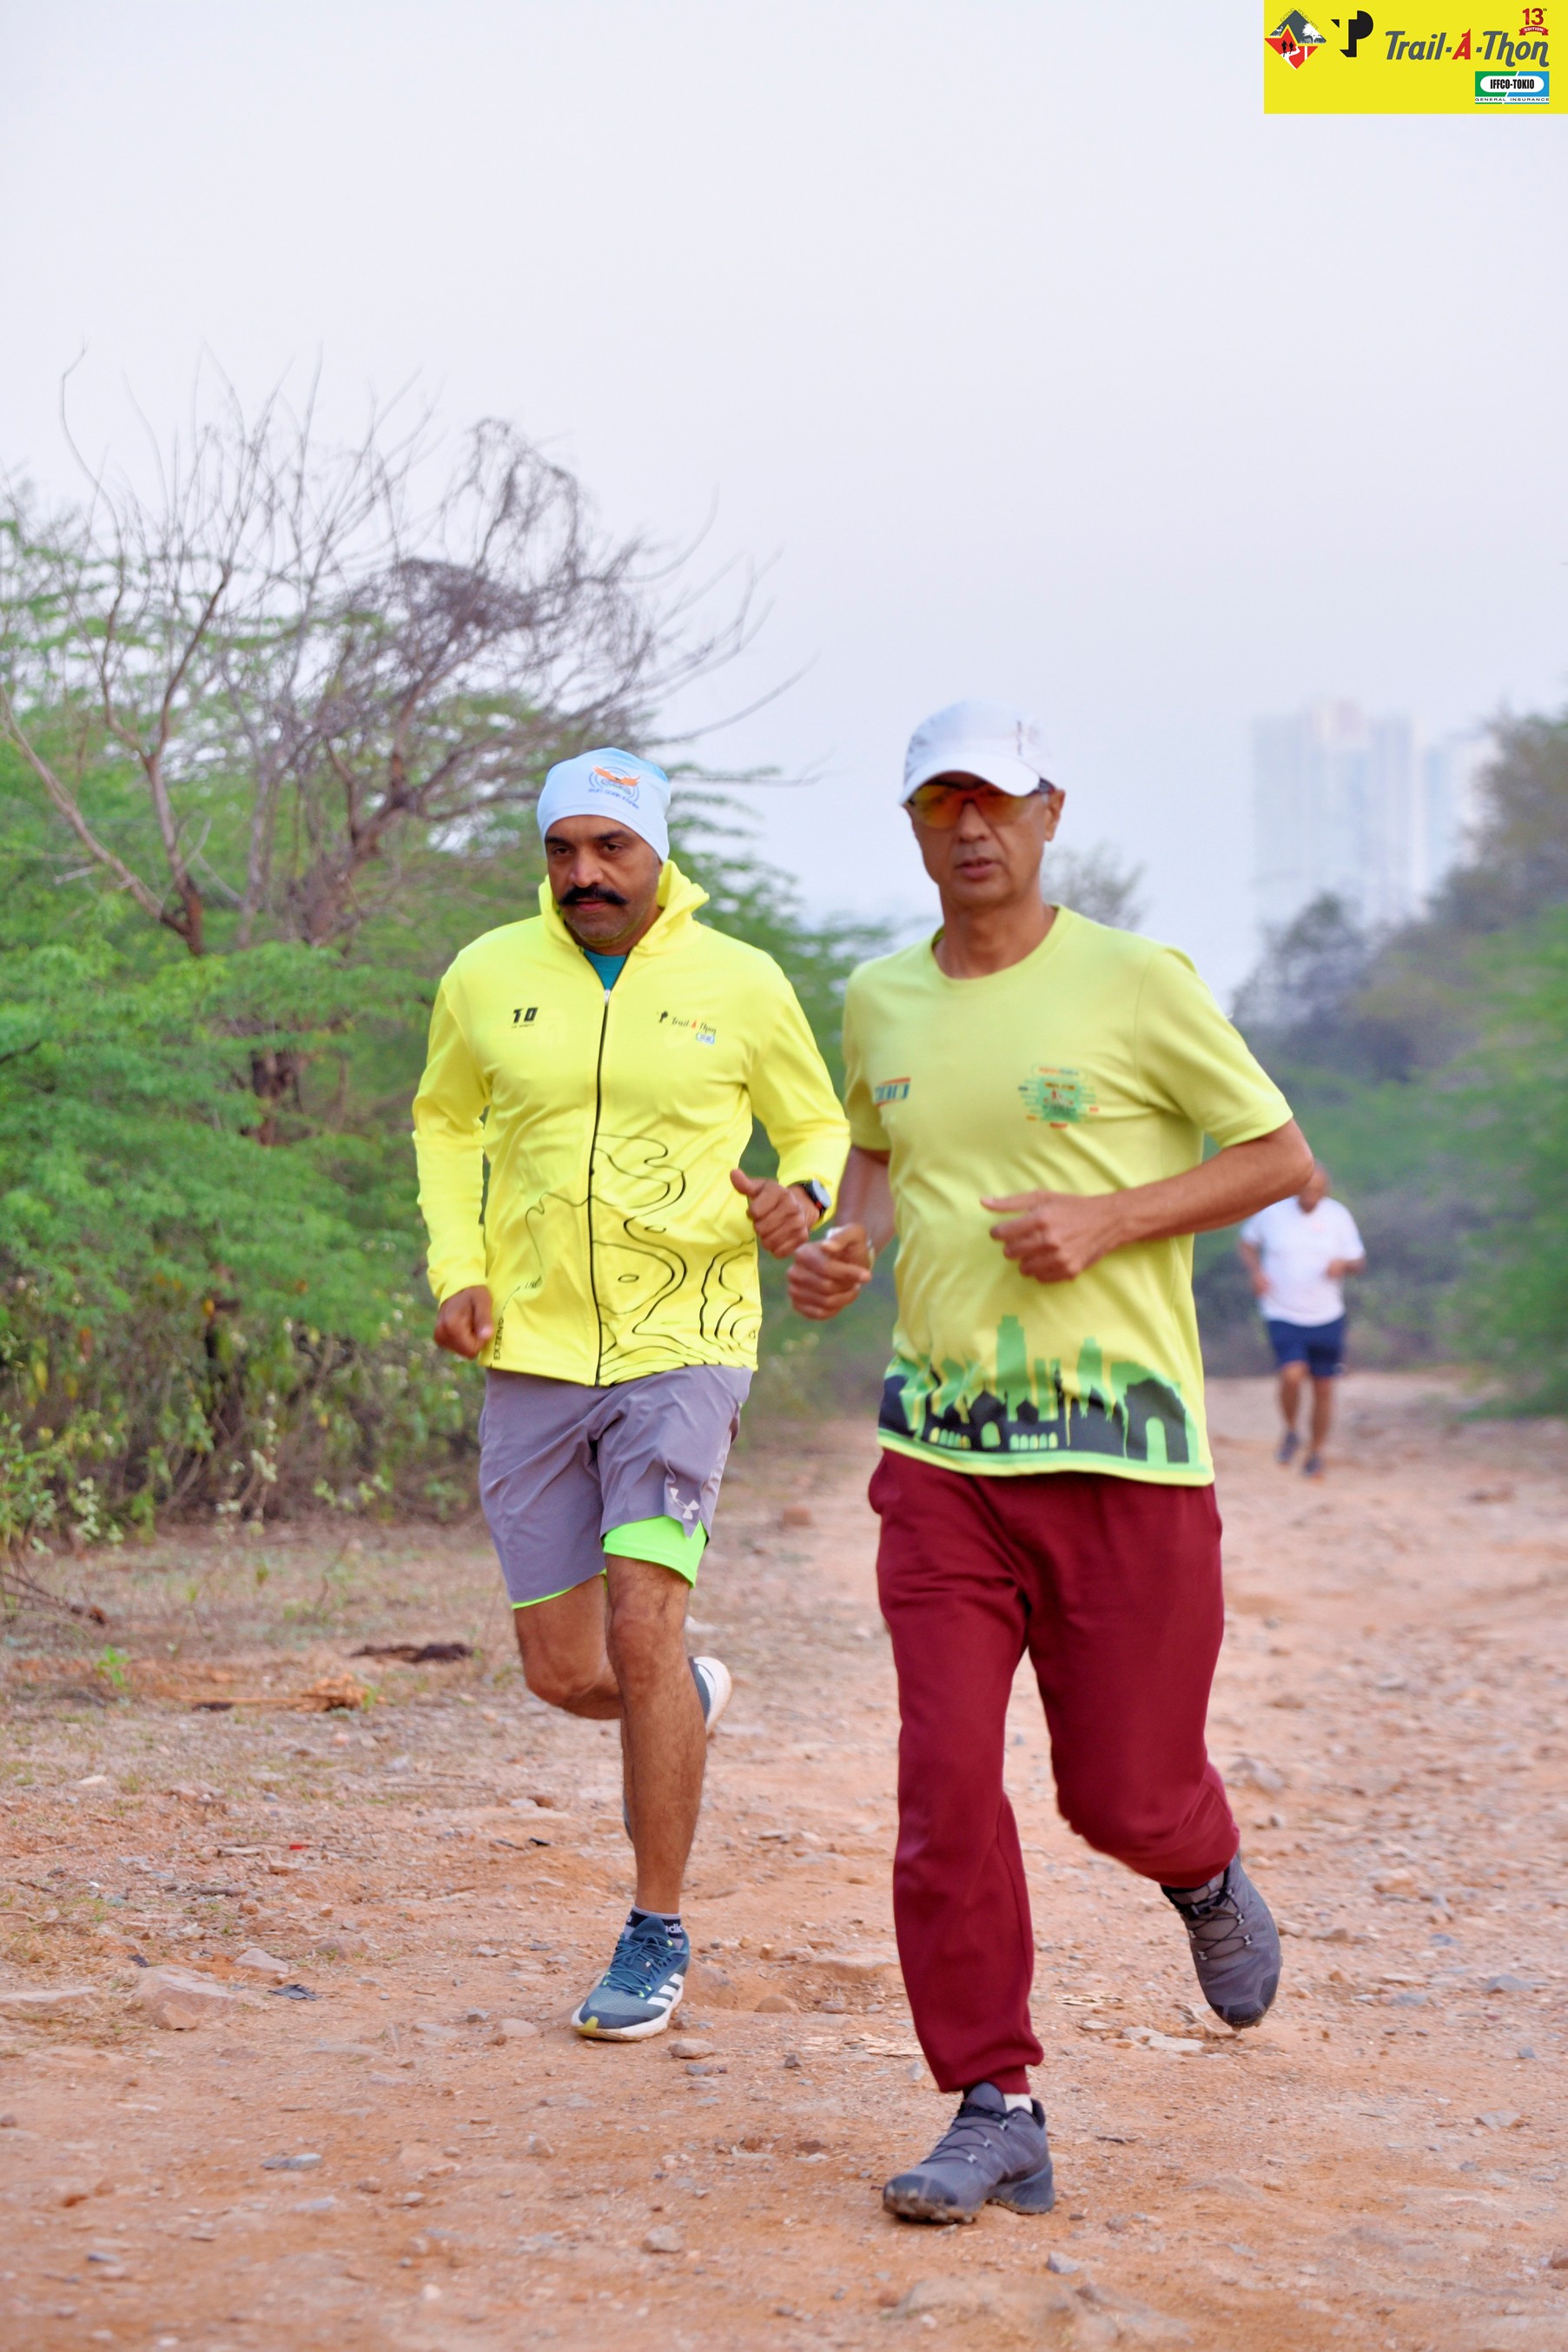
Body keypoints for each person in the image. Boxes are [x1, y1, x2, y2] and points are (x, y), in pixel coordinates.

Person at [787, 699, 1313, 2224]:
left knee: (1122, 1794)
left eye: (995, 799)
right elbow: (877, 1156)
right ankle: (994, 2101)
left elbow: (1280, 1158)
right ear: (911, 824)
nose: (969, 826)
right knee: (945, 1781)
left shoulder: (1139, 981)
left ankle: (1200, 1868)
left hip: (1123, 1463)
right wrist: (841, 1246)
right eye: (939, 802)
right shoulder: (879, 998)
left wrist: (1110, 1216)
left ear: (1048, 812)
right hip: (940, 1459)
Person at [414, 747, 848, 2041]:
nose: (585, 873)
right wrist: (458, 1266)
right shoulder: (486, 972)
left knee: (644, 1626)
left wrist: (802, 1196)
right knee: (566, 1671)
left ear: (659, 851)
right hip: (534, 1348)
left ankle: (654, 1928)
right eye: (563, 849)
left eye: (611, 848)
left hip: (687, 1339)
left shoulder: (742, 981)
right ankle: (683, 1705)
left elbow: (816, 1128)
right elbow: (443, 1122)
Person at [1237, 1160, 1365, 1478]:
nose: (1311, 1197)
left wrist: (1342, 1265)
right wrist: (1256, 1273)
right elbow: (1247, 1242)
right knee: (1292, 1374)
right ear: (1296, 1188)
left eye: (1317, 1191)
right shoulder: (1272, 1214)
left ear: (1326, 1191)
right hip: (1282, 1310)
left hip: (1326, 1314)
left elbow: (1358, 1261)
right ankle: (1291, 1428)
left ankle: (1317, 1452)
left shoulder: (1338, 1216)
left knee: (1324, 1387)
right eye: (1306, 1190)